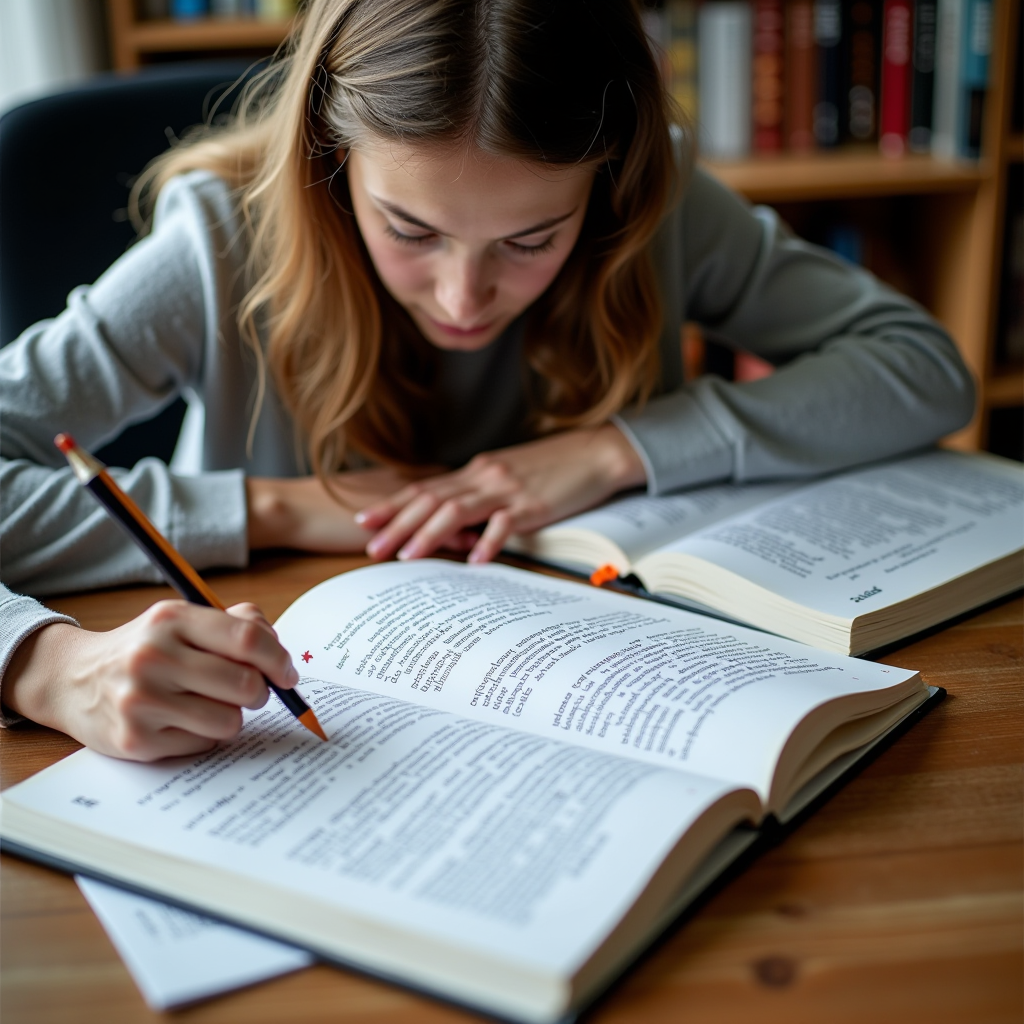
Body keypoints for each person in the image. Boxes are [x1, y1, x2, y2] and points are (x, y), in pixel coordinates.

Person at [0, 0, 974, 761]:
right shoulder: (224, 243)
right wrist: (51, 659)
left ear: (603, 184)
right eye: (411, 230)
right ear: (333, 166)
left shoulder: (658, 209)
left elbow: (920, 366)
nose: (466, 296)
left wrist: (612, 450)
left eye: (531, 239)